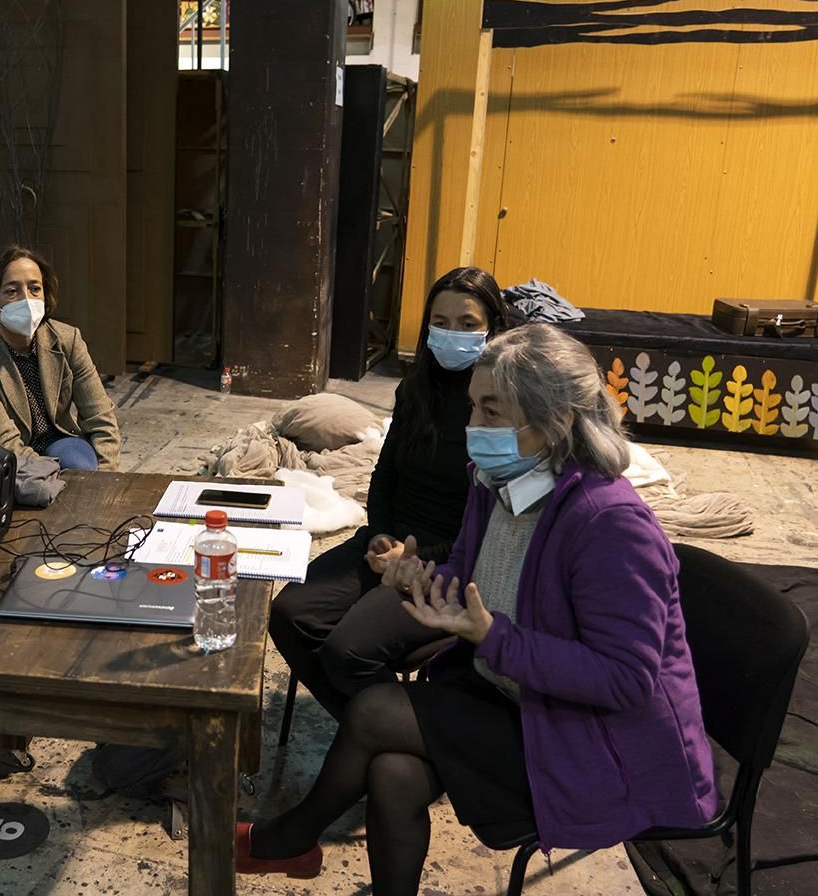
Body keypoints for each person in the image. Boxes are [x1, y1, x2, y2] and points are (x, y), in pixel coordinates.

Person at [238, 323, 718, 894]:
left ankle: (289, 839)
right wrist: (421, 578)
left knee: (371, 712)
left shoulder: (610, 524)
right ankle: (293, 841)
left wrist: (493, 636)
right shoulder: (496, 483)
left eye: (491, 411)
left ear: (553, 422)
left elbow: (625, 680)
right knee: (394, 773)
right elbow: (469, 575)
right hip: (515, 696)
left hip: (594, 738)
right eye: (473, 407)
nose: (472, 428)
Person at [269, 267, 514, 718]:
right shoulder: (415, 389)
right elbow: (384, 474)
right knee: (289, 612)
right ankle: (368, 730)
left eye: (467, 324)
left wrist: (418, 557)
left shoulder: (501, 407)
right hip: (389, 545)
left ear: (493, 329)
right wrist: (380, 534)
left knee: (347, 649)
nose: (451, 334)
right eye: (439, 323)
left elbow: (490, 517)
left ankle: (400, 737)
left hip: (453, 561)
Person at [0, 245, 120, 471]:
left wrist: (104, 480)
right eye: (12, 291)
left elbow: (100, 417)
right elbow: (5, 442)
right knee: (25, 487)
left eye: (35, 289)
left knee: (81, 467)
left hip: (55, 439)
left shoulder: (68, 339)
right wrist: (49, 479)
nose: (26, 300)